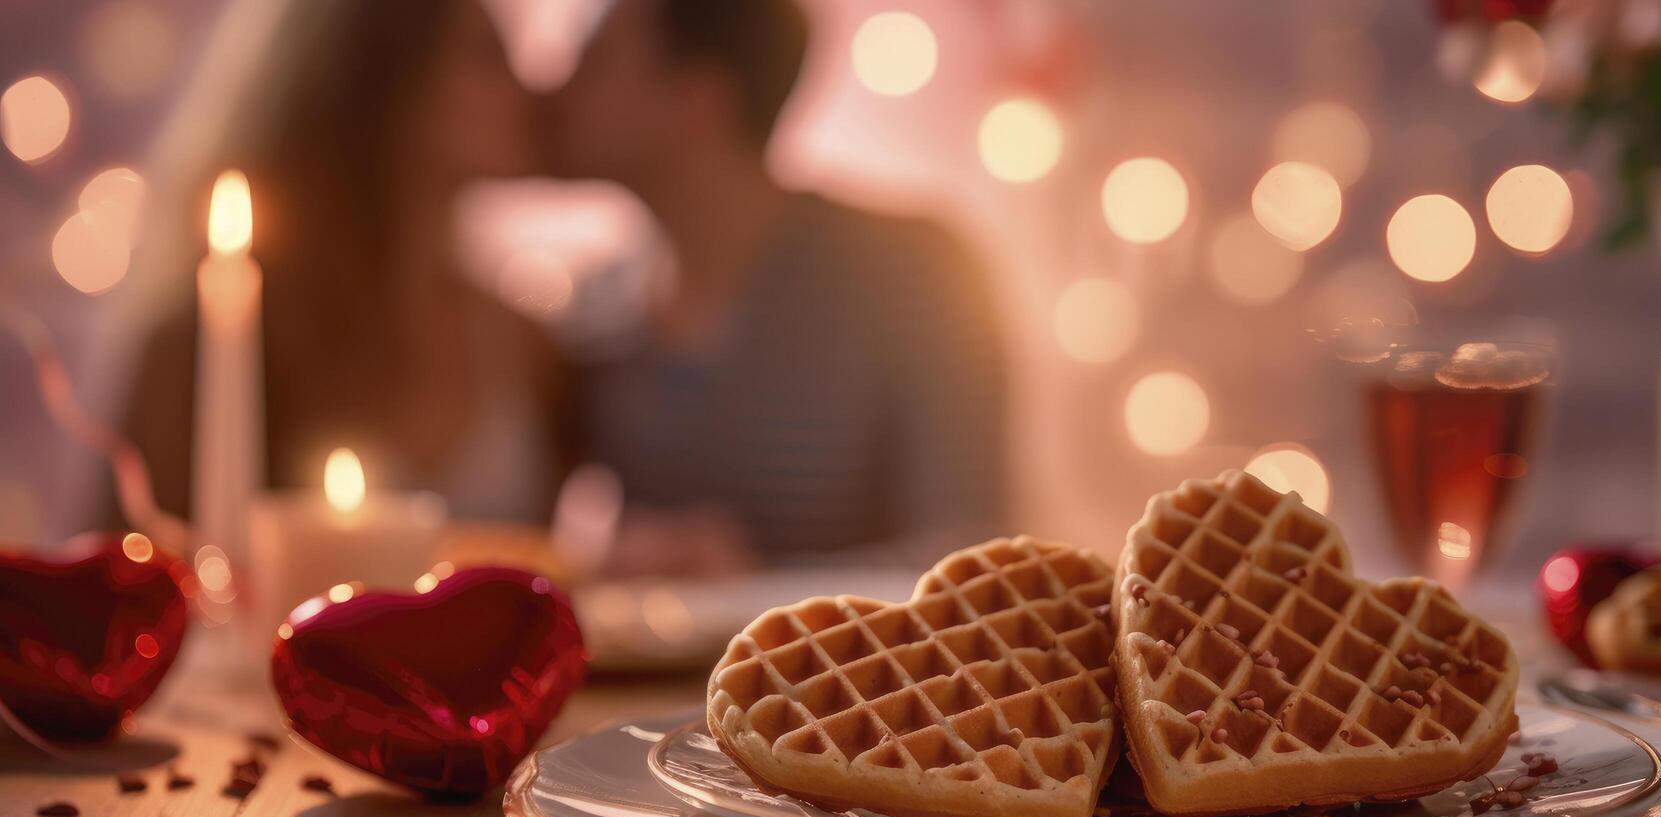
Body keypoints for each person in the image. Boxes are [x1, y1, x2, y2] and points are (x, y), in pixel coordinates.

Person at [544, 0, 1009, 576]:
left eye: (595, 59)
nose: (554, 88)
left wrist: (758, 588)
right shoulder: (589, 306)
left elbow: (970, 556)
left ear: (700, 98)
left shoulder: (914, 271)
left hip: (863, 666)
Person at [119, 0, 572, 524]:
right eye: (486, 56)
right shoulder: (224, 333)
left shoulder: (526, 346)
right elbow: (143, 564)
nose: (527, 91)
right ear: (386, 77)